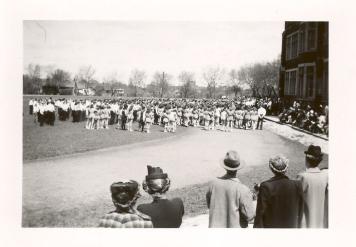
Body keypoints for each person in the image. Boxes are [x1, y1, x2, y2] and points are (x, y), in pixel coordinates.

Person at [206, 150, 255, 228]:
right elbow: (250, 216)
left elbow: (210, 205)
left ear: (225, 166)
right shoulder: (243, 189)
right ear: (238, 168)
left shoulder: (213, 184)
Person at [254, 155, 303, 228]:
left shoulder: (266, 186)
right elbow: (300, 211)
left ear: (271, 169)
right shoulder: (297, 185)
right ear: (286, 169)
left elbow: (260, 214)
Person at [297, 145, 328, 228]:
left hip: (306, 220)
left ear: (306, 159)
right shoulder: (325, 176)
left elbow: (296, 198)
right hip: (320, 219)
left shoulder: (303, 176)